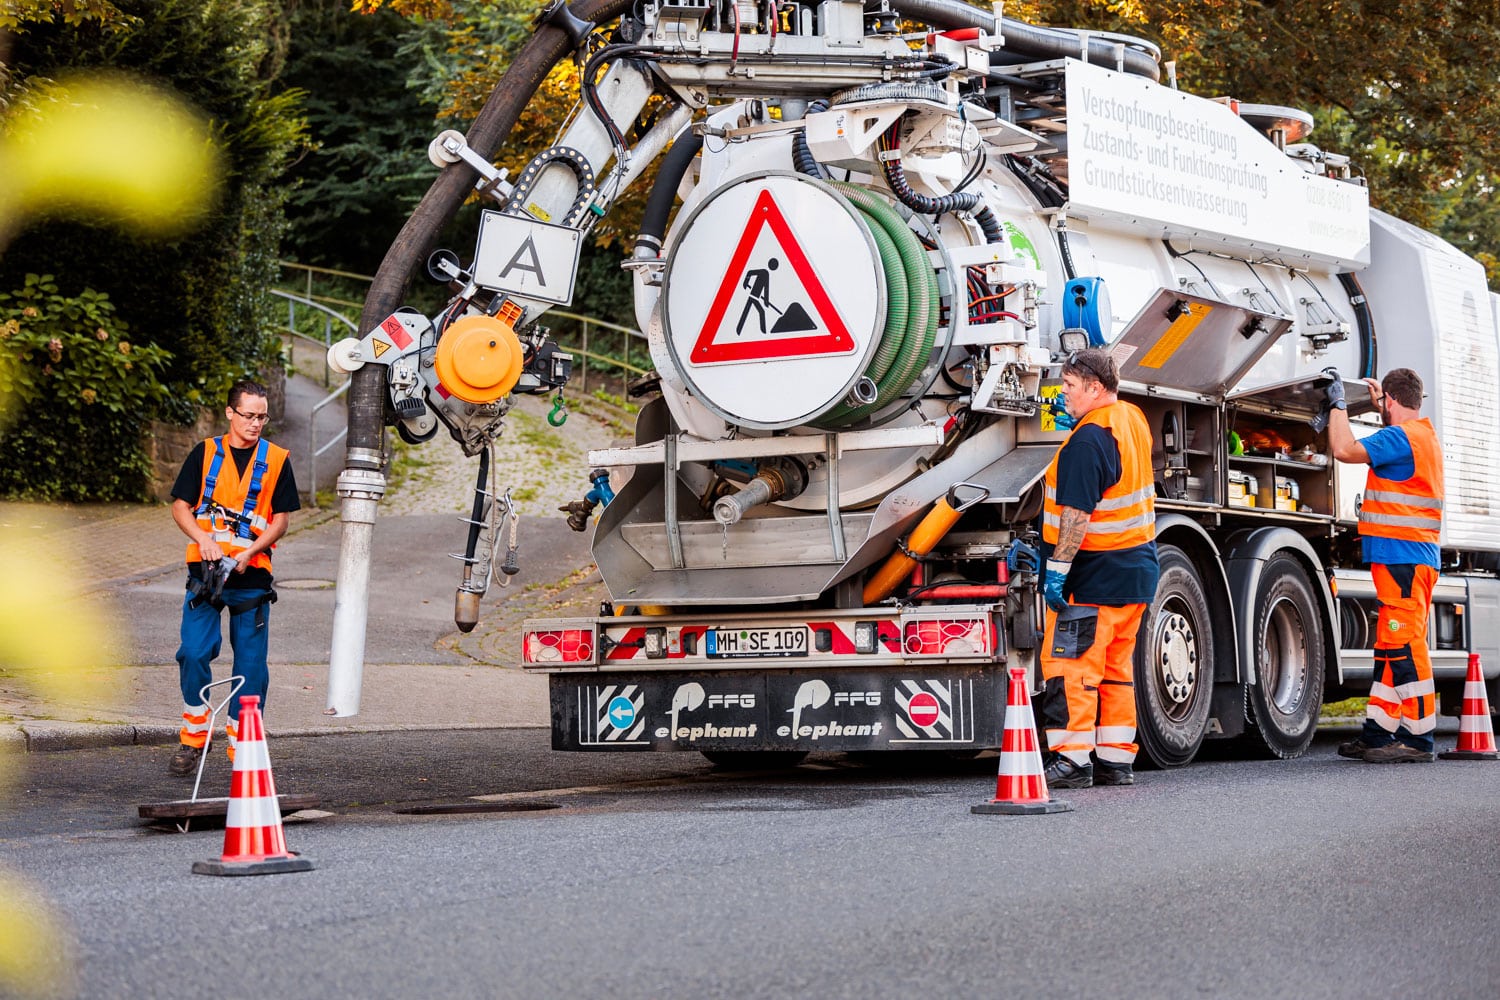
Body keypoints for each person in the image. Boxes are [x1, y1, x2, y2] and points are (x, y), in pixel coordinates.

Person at [1038, 349, 1159, 788]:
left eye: (1069, 387)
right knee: (1115, 670)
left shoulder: (1087, 441)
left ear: (1094, 387)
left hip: (1091, 574)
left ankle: (1072, 760)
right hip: (1136, 569)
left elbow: (1076, 515)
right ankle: (1115, 760)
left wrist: (1057, 569)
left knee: (1072, 666)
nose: (1063, 394)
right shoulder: (1130, 417)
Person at [167, 380, 299, 775]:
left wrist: (251, 552)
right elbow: (180, 507)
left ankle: (244, 749)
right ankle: (194, 738)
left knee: (251, 667)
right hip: (205, 577)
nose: (256, 423)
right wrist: (202, 538)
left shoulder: (276, 460)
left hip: (251, 578)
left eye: (262, 417)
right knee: (193, 652)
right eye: (249, 416)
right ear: (230, 413)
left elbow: (281, 520)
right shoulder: (205, 453)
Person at [1325, 367, 1443, 763]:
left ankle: (1419, 739)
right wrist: (1382, 408)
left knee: (1405, 646)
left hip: (1402, 561)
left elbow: (1344, 449)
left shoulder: (1400, 438)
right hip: (1408, 561)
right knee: (1391, 648)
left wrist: (1337, 404)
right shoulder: (1420, 436)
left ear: (1390, 400)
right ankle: (1378, 735)